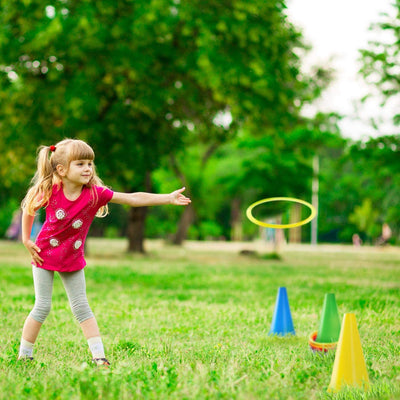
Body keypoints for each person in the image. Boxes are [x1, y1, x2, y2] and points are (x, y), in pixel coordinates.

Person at [19, 138, 191, 366]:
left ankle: (99, 357)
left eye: (90, 163)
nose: (87, 168)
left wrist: (167, 198)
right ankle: (24, 355)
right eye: (80, 164)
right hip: (44, 254)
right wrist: (26, 239)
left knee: (81, 306)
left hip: (72, 257)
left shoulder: (95, 194)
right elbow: (29, 207)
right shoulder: (51, 190)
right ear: (61, 169)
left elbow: (132, 198)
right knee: (42, 306)